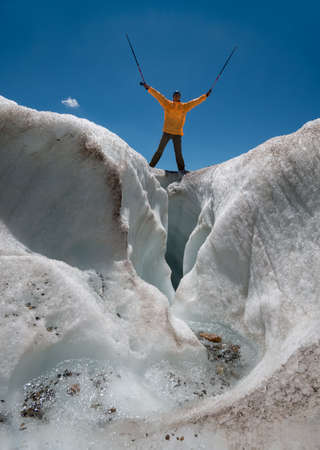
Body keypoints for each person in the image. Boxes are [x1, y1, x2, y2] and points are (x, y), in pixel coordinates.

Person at [141, 83, 212, 173]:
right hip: (166, 132)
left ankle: (181, 170)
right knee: (160, 150)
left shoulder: (184, 107)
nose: (176, 96)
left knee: (178, 153)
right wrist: (148, 88)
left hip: (177, 134)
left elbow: (195, 102)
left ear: (180, 97)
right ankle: (151, 167)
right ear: (173, 97)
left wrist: (205, 96)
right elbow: (158, 96)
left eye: (178, 95)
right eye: (175, 95)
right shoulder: (167, 104)